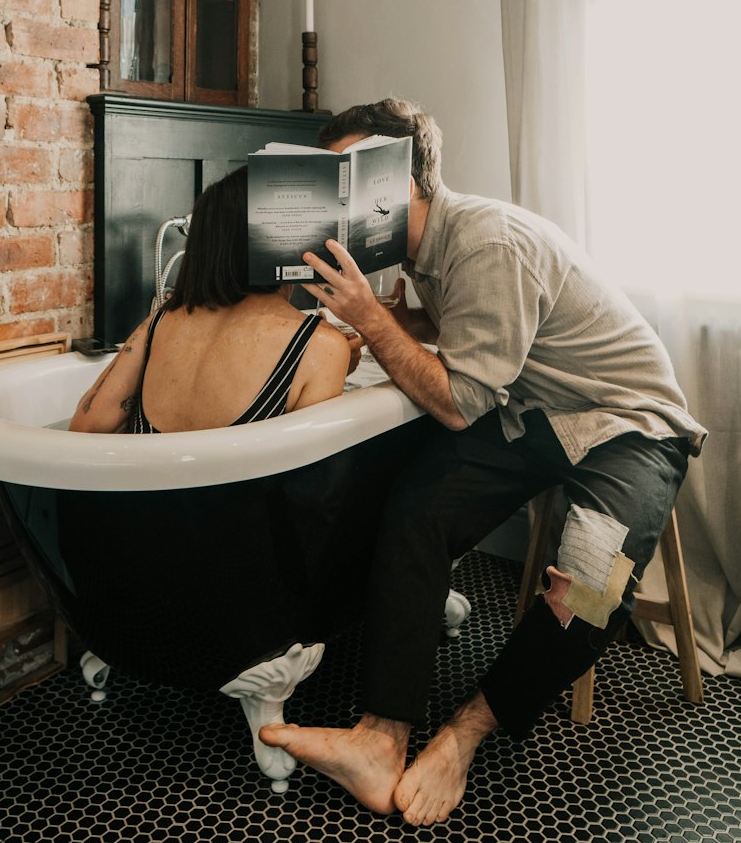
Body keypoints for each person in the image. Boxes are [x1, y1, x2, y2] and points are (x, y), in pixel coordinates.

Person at [259, 97, 706, 825]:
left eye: (348, 178)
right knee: (415, 507)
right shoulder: (427, 250)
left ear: (401, 181)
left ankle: (466, 734)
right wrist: (400, 319)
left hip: (629, 422)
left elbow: (462, 403)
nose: (334, 202)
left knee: (591, 588)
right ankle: (381, 736)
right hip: (539, 414)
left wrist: (373, 321)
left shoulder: (486, 241)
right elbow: (468, 328)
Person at [70, 165, 355, 435]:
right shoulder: (321, 345)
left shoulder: (162, 320)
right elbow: (308, 478)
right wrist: (332, 362)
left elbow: (87, 427)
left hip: (146, 485)